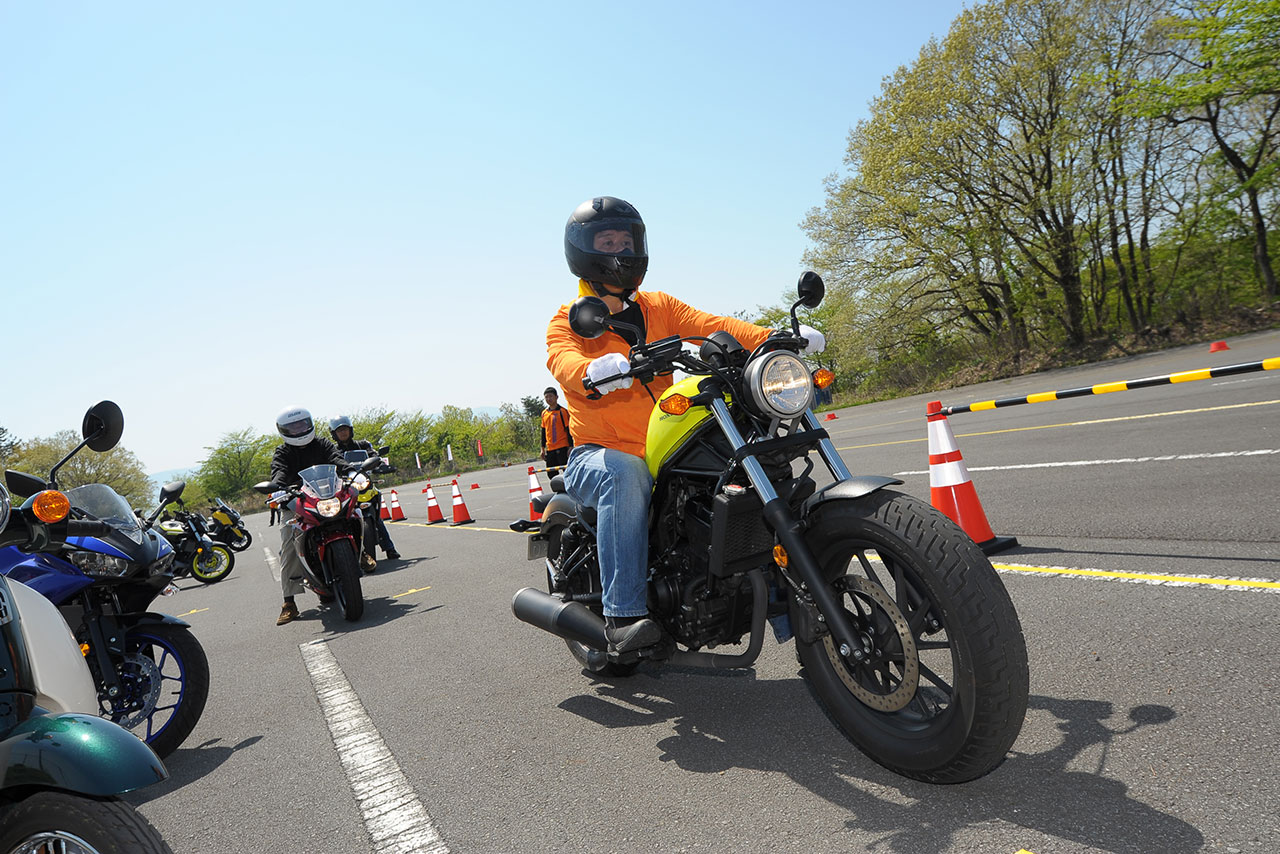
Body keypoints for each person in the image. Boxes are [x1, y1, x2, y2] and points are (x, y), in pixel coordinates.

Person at [546, 196, 826, 654]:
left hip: (663, 442)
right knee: (624, 474)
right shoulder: (569, 321)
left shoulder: (659, 306)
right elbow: (564, 361)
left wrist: (776, 337)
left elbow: (713, 325)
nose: (620, 248)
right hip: (599, 453)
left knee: (743, 459)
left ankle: (789, 600)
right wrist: (594, 371)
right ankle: (622, 614)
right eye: (607, 240)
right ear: (583, 250)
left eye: (626, 239)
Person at [269, 405, 346, 626]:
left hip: (326, 496)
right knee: (289, 543)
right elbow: (279, 471)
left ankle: (361, 554)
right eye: (292, 427)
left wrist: (348, 468)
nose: (298, 430)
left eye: (302, 424)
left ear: (309, 423)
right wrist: (278, 486)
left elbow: (335, 457)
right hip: (296, 502)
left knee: (354, 511)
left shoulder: (321, 443)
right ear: (284, 430)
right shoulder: (283, 452)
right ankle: (289, 602)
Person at [329, 415, 400, 566]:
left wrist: (379, 463)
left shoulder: (363, 445)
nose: (343, 433)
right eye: (339, 430)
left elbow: (374, 455)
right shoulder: (333, 451)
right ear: (334, 434)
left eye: (345, 429)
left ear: (350, 430)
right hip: (346, 487)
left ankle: (389, 548)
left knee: (376, 518)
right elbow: (328, 467)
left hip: (364, 483)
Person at [539, 386, 573, 477]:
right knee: (551, 474)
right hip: (550, 449)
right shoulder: (544, 413)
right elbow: (543, 431)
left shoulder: (562, 412)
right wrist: (542, 448)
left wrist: (570, 446)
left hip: (562, 448)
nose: (548, 399)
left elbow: (568, 429)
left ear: (556, 397)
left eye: (550, 396)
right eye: (546, 397)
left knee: (567, 472)